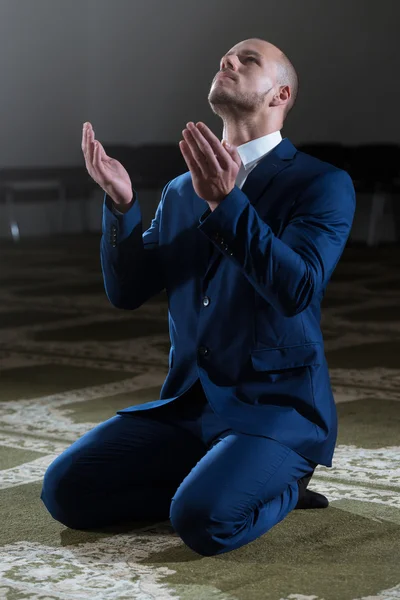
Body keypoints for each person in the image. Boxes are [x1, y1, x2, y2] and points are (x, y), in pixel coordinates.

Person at [40, 38, 355, 556]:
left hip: (275, 409)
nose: (227, 61)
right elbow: (127, 292)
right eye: (225, 57)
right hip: (190, 404)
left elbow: (296, 289)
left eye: (247, 59)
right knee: (67, 493)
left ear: (282, 94)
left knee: (203, 522)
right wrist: (121, 207)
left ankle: (285, 484)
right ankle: (217, 477)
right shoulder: (181, 190)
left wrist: (227, 204)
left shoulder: (321, 183)